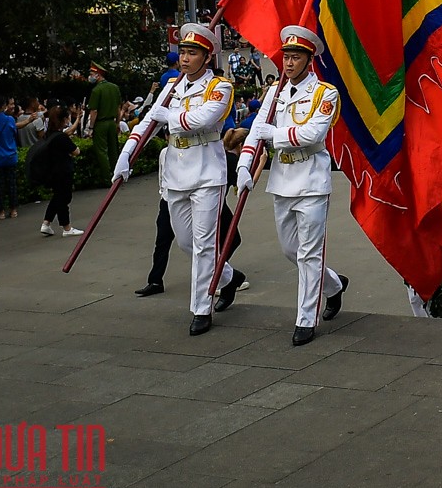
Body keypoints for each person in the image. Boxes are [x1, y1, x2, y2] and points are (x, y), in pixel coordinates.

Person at [113, 23, 241, 336]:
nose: (184, 58)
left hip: (207, 172)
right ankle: (228, 277)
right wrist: (127, 153)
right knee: (186, 242)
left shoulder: (219, 88)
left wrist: (165, 115)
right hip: (175, 172)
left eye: (192, 53)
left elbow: (198, 121)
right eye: (182, 52)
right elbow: (146, 124)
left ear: (206, 57)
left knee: (204, 246)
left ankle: (201, 308)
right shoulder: (172, 87)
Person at [236, 25, 349, 346]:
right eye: (285, 56)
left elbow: (312, 135)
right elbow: (257, 130)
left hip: (312, 179)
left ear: (309, 60)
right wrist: (244, 165)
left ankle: (305, 319)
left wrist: (275, 136)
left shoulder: (325, 94)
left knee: (310, 254)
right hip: (282, 180)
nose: (288, 63)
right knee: (291, 251)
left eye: (295, 57)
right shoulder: (274, 92)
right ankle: (334, 286)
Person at [36, 104, 82, 238]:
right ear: (63, 119)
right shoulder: (61, 138)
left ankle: (46, 223)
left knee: (57, 197)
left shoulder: (49, 134)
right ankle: (66, 227)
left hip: (52, 172)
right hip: (63, 172)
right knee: (63, 199)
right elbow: (76, 151)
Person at [85, 64, 124, 162]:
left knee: (101, 153)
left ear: (98, 75)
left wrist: (91, 128)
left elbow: (94, 111)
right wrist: (117, 123)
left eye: (92, 74)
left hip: (100, 124)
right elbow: (118, 108)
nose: (90, 77)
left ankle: (106, 177)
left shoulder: (96, 90)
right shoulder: (115, 87)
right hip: (112, 123)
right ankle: (116, 175)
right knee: (114, 151)